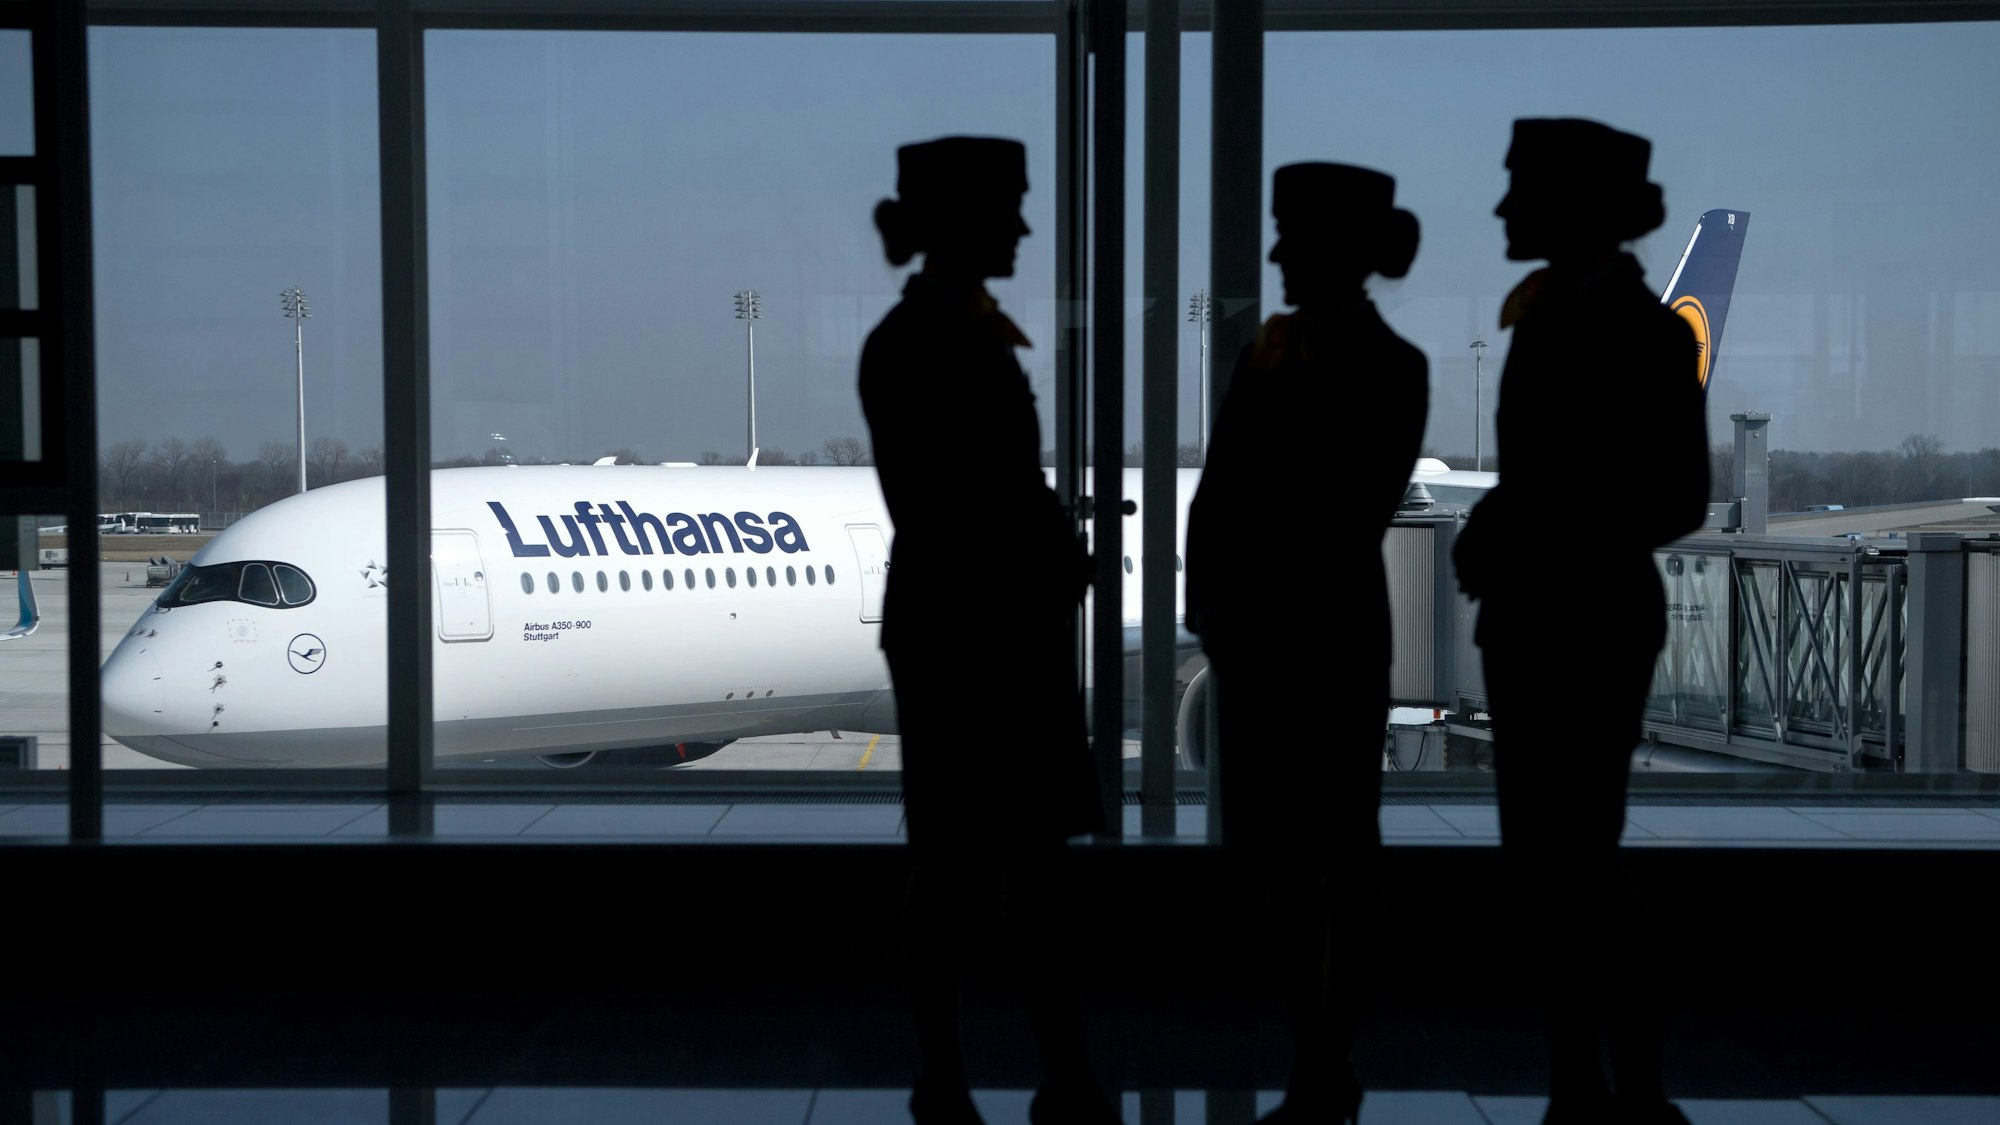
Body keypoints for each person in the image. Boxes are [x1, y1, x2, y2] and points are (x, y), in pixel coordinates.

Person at [857, 136, 1119, 1125]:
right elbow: (965, 501)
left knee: (970, 865)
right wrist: (1055, 555)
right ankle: (1037, 1077)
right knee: (1002, 872)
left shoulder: (932, 334)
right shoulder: (937, 341)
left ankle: (963, 1077)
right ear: (959, 221)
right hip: (984, 636)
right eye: (1006, 209)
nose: (1020, 226)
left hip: (969, 628)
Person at [1453, 118, 1710, 1125]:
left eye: (1520, 193)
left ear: (1572, 208)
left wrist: (1523, 527)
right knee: (1550, 869)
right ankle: (1585, 1087)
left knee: (1577, 865)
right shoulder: (1544, 319)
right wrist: (1503, 519)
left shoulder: (1644, 333)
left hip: (1585, 624)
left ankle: (1626, 1091)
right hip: (1536, 622)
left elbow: (1674, 499)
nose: (1502, 211)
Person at [1184, 162, 1429, 1125]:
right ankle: (1317, 1057)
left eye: (1291, 236)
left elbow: (1334, 506)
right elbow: (1218, 501)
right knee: (1303, 863)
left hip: (1309, 641)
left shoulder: (1360, 365)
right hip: (1306, 636)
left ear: (1336, 249)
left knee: (1330, 860)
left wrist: (1231, 613)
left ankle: (1326, 1060)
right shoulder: (1278, 356)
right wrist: (1217, 618)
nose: (1277, 251)